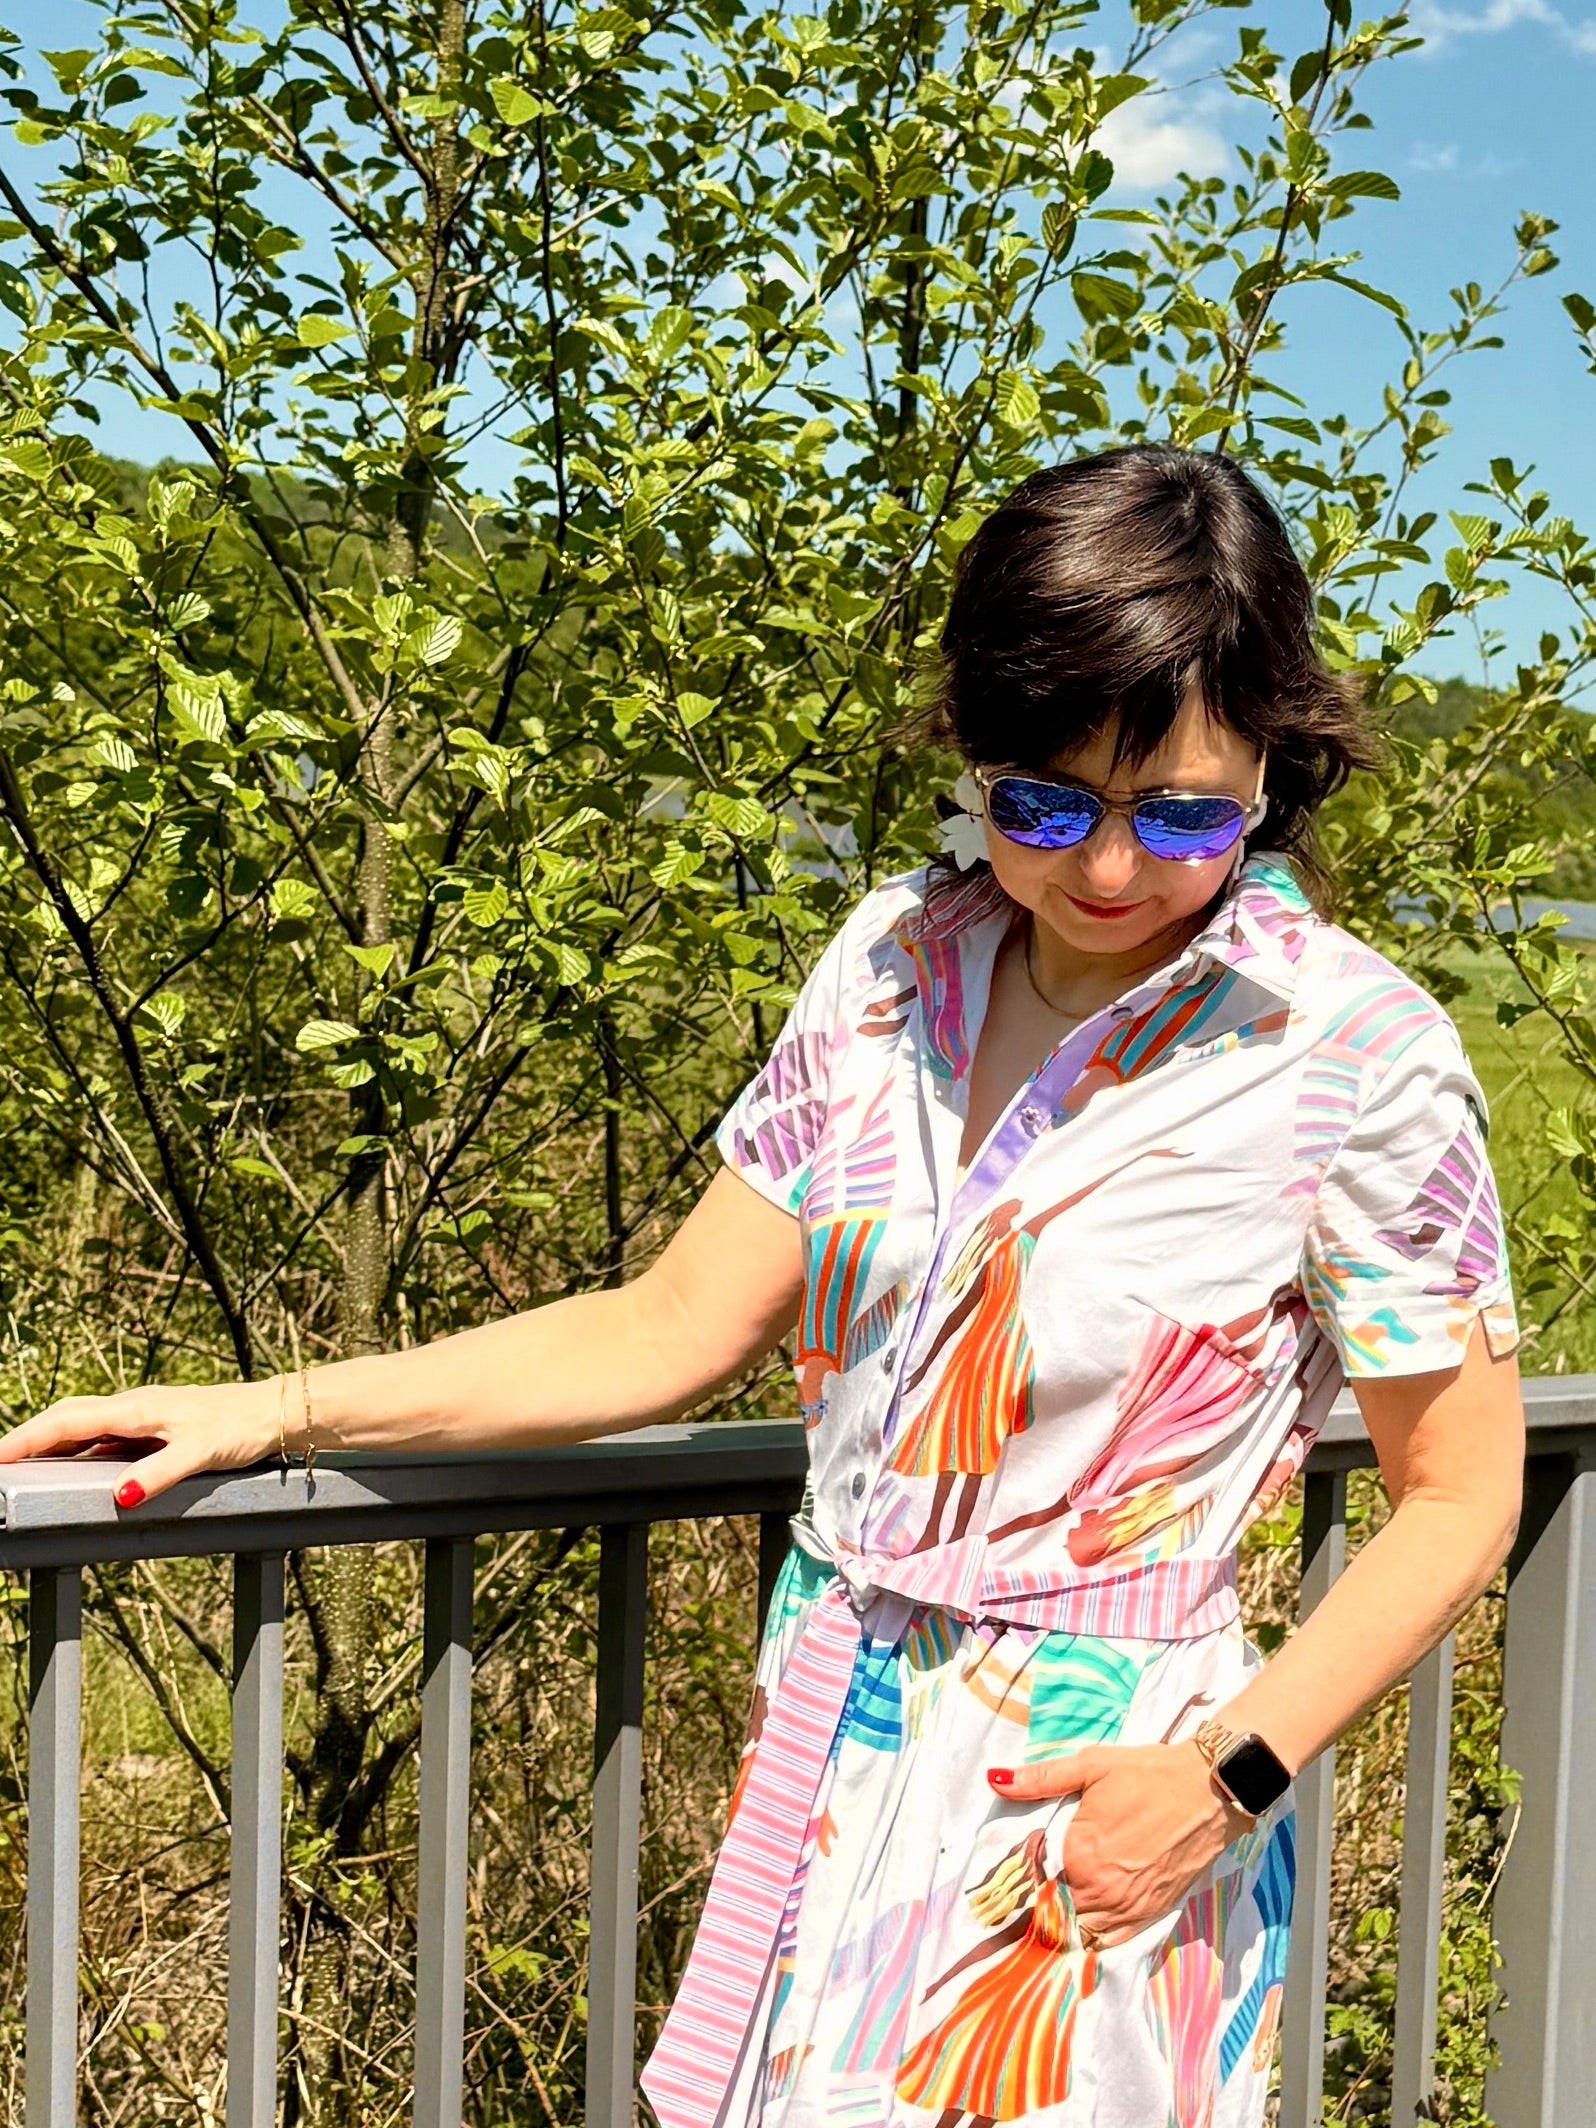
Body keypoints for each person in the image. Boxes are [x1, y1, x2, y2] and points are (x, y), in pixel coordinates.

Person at [0, 445, 1524, 2128]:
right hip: (825, 1761)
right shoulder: (886, 972)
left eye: (1178, 813)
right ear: (976, 758)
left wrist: (1223, 1781)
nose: (1106, 869)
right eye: (1043, 804)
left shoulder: (1356, 1056)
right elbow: (668, 1327)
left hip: (1106, 1808)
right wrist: (275, 1408)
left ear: (1272, 769)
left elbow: (1460, 1492)